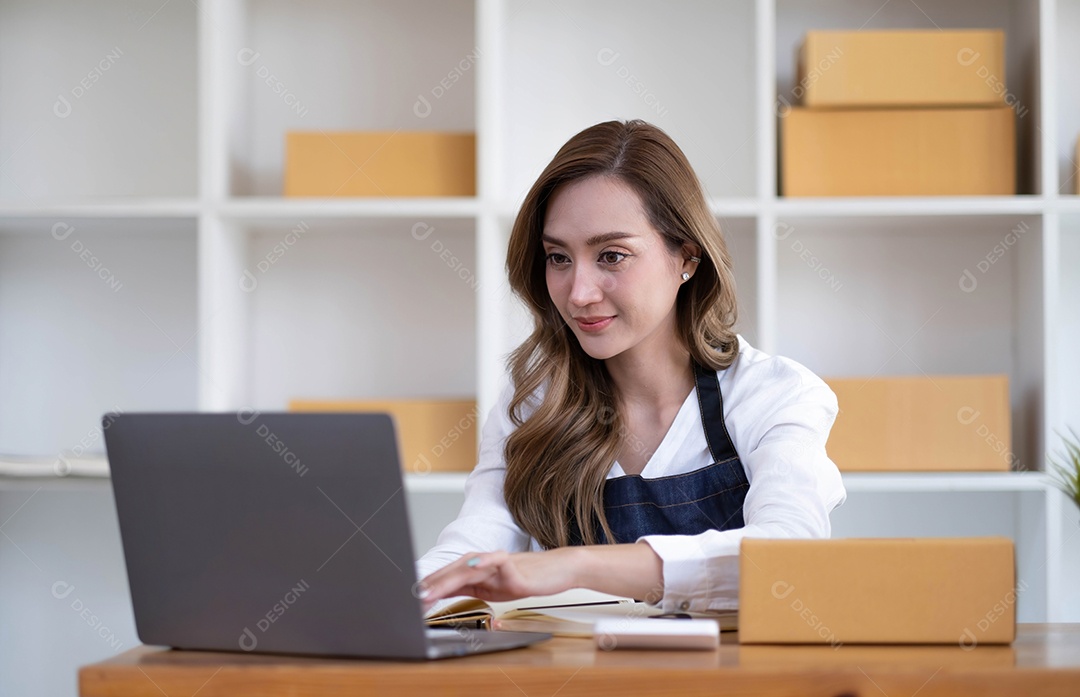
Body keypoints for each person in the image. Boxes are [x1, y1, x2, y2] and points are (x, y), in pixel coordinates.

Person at [416, 119, 845, 614]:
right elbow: (473, 547)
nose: (578, 293)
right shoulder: (536, 401)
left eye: (612, 256)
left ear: (686, 256)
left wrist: (576, 566)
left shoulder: (774, 394)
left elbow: (786, 558)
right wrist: (392, 603)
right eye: (558, 258)